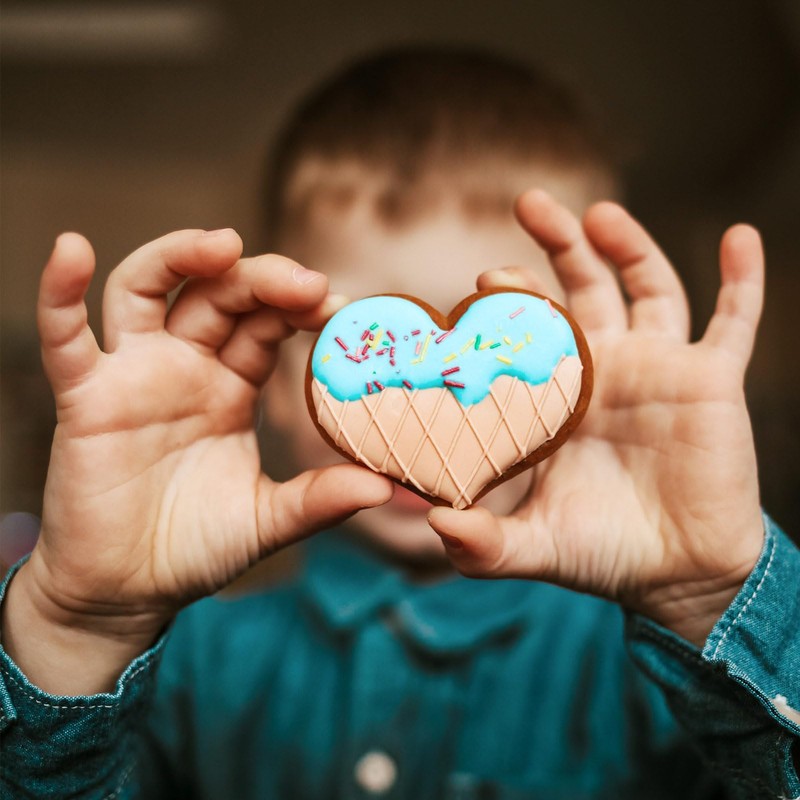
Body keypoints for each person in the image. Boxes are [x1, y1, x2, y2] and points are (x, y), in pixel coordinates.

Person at [1, 48, 798, 799]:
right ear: (278, 382)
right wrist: (76, 632)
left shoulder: (665, 672)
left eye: (498, 347)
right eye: (372, 355)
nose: (433, 403)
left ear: (577, 390)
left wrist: (718, 598)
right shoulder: (190, 666)